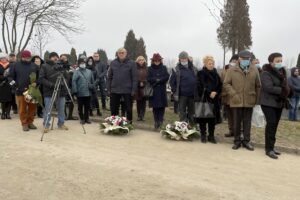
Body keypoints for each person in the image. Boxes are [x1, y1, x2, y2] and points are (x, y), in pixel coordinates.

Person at [224, 50, 261, 151]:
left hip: (249, 100)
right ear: (239, 59)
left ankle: (246, 141)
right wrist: (234, 94)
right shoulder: (232, 70)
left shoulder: (254, 70)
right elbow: (226, 84)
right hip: (236, 100)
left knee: (247, 122)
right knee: (236, 122)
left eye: (248, 59)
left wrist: (257, 100)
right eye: (244, 59)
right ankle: (237, 141)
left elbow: (258, 85)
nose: (246, 61)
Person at [260, 53, 291, 159]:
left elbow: (285, 85)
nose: (280, 63)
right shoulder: (265, 73)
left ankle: (272, 147)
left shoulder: (282, 72)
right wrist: (283, 91)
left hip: (278, 103)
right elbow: (268, 87)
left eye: (281, 60)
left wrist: (288, 90)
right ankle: (268, 149)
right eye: (277, 61)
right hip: (268, 103)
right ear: (271, 62)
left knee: (275, 125)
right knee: (271, 124)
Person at [9, 50, 39, 131]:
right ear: (22, 57)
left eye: (29, 57)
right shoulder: (15, 65)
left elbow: (39, 77)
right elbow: (10, 78)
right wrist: (15, 86)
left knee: (32, 108)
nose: (27, 59)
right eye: (25, 57)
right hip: (20, 91)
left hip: (32, 91)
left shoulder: (35, 66)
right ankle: (24, 123)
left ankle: (30, 122)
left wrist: (37, 83)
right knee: (22, 108)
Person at [39, 52, 69, 133]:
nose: (55, 58)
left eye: (56, 57)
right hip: (49, 91)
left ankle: (61, 123)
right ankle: (46, 125)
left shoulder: (61, 66)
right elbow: (41, 79)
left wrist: (62, 83)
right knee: (48, 109)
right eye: (53, 57)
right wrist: (52, 85)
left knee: (61, 108)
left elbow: (66, 77)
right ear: (50, 58)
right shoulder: (44, 66)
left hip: (61, 91)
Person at [195, 56, 222, 143]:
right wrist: (209, 92)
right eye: (209, 64)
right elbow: (200, 86)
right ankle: (203, 135)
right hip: (205, 99)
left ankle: (211, 136)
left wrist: (216, 92)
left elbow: (220, 85)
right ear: (205, 64)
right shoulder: (201, 73)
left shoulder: (216, 74)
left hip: (214, 100)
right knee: (203, 119)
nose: (211, 65)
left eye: (212, 64)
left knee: (212, 120)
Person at [107, 48, 137, 123]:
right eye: (119, 53)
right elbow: (109, 77)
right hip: (115, 89)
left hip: (127, 90)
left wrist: (133, 90)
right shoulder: (113, 63)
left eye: (123, 52)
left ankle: (129, 123)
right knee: (114, 108)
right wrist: (108, 89)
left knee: (128, 109)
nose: (121, 54)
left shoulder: (132, 63)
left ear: (126, 53)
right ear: (117, 54)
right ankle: (114, 123)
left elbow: (134, 78)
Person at [170, 51, 197, 124]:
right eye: (182, 59)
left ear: (187, 58)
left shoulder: (194, 68)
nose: (183, 60)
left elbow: (197, 79)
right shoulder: (176, 69)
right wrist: (175, 90)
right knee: (182, 113)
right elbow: (172, 82)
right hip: (182, 95)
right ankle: (183, 128)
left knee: (192, 113)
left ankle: (192, 127)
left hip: (192, 95)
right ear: (179, 59)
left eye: (185, 58)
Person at [147, 53, 170, 129]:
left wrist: (160, 80)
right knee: (155, 107)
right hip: (154, 90)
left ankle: (160, 121)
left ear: (160, 61)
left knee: (162, 107)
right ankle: (156, 121)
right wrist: (156, 80)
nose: (157, 62)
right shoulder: (149, 68)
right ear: (153, 61)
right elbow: (148, 78)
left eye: (158, 60)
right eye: (155, 61)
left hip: (162, 90)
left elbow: (167, 76)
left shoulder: (164, 68)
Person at [72, 58, 95, 124]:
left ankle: (87, 118)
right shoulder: (77, 72)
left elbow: (92, 81)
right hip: (80, 92)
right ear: (79, 64)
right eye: (81, 63)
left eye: (84, 63)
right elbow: (74, 81)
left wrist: (92, 88)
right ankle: (82, 118)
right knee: (80, 106)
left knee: (87, 106)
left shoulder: (89, 71)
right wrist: (75, 91)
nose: (83, 64)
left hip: (88, 92)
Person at [221, 54, 238, 137]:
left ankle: (237, 132)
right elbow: (221, 81)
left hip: (234, 95)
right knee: (229, 115)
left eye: (236, 61)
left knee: (236, 115)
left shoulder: (239, 69)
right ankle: (231, 130)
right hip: (226, 96)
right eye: (233, 60)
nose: (234, 62)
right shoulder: (225, 69)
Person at [0, 53, 12, 119]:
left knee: (9, 100)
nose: (3, 59)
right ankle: (3, 113)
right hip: (1, 84)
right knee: (3, 100)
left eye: (4, 58)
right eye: (2, 58)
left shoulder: (10, 65)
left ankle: (8, 113)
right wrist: (3, 76)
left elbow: (12, 74)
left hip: (9, 84)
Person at [135, 56, 148, 121]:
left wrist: (144, 82)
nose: (141, 61)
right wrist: (139, 82)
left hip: (145, 87)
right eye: (140, 60)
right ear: (137, 61)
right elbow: (134, 77)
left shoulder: (146, 68)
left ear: (144, 61)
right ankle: (139, 115)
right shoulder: (135, 68)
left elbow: (148, 78)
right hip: (137, 87)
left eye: (142, 60)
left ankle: (142, 116)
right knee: (138, 102)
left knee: (144, 102)